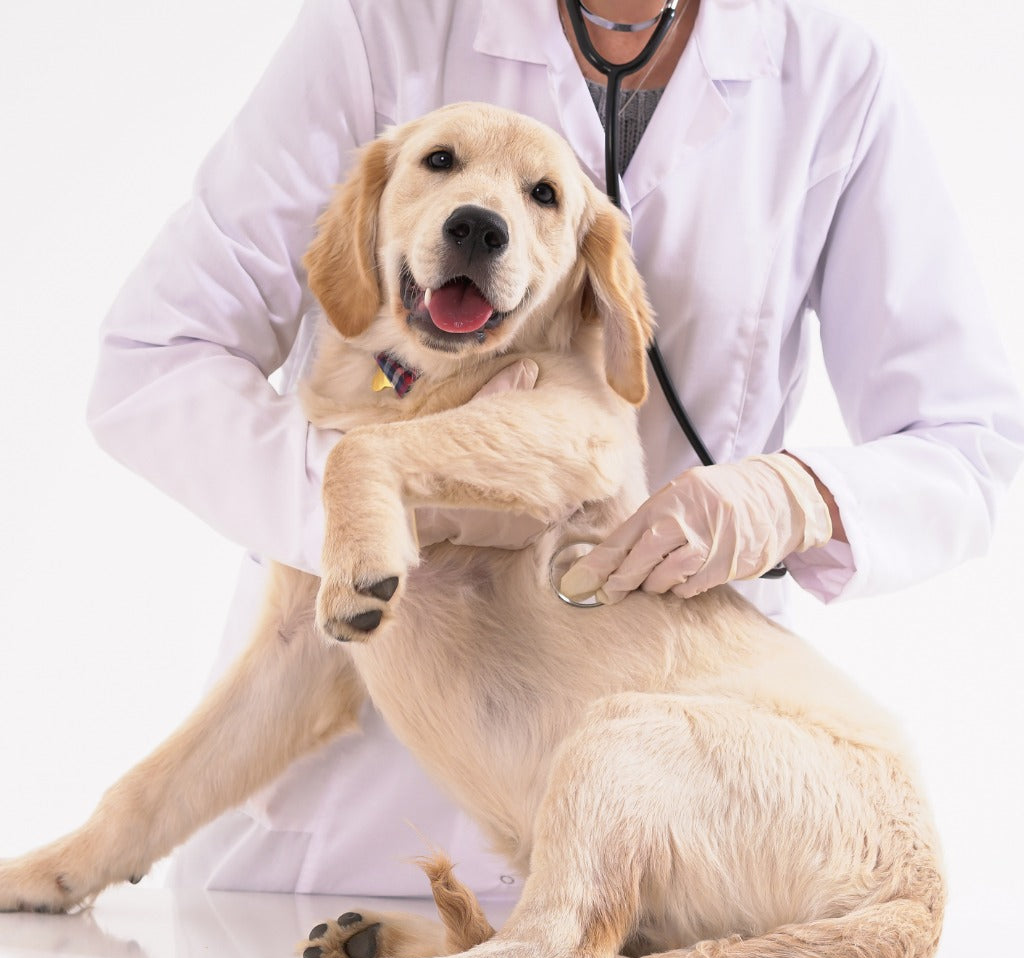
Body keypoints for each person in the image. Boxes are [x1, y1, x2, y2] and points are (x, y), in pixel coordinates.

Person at [88, 0, 1024, 898]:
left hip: (667, 812)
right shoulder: (386, 20)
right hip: (345, 837)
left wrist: (792, 498)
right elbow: (154, 359)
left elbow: (968, 439)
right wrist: (390, 509)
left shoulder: (833, 80)